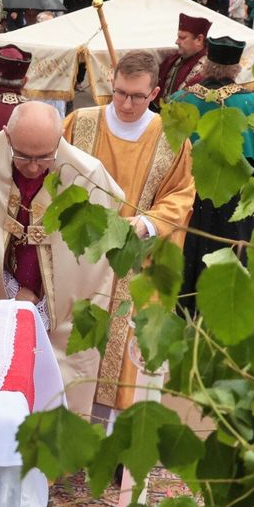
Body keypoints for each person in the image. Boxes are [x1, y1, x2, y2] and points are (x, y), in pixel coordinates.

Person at [0, 102, 122, 417]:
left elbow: (95, 263)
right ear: (6, 135)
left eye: (44, 156)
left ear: (60, 139)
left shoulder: (87, 175)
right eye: (23, 156)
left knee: (55, 401)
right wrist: (11, 290)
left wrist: (47, 309)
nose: (35, 167)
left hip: (61, 314)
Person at [62, 51, 195, 417]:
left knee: (128, 360)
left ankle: (120, 432)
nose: (125, 104)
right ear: (112, 82)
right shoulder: (79, 123)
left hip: (137, 259)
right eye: (120, 92)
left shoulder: (171, 138)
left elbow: (181, 194)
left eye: (137, 96)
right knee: (75, 346)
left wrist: (147, 223)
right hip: (82, 257)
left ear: (154, 93)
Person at [169, 36, 254, 315]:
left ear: (207, 64)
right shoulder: (252, 103)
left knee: (185, 264)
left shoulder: (181, 100)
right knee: (230, 268)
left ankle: (182, 315)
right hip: (235, 204)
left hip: (187, 198)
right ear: (236, 68)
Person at [156, 13, 211, 103]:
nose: (176, 42)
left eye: (182, 38)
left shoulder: (209, 69)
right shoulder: (173, 60)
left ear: (199, 39)